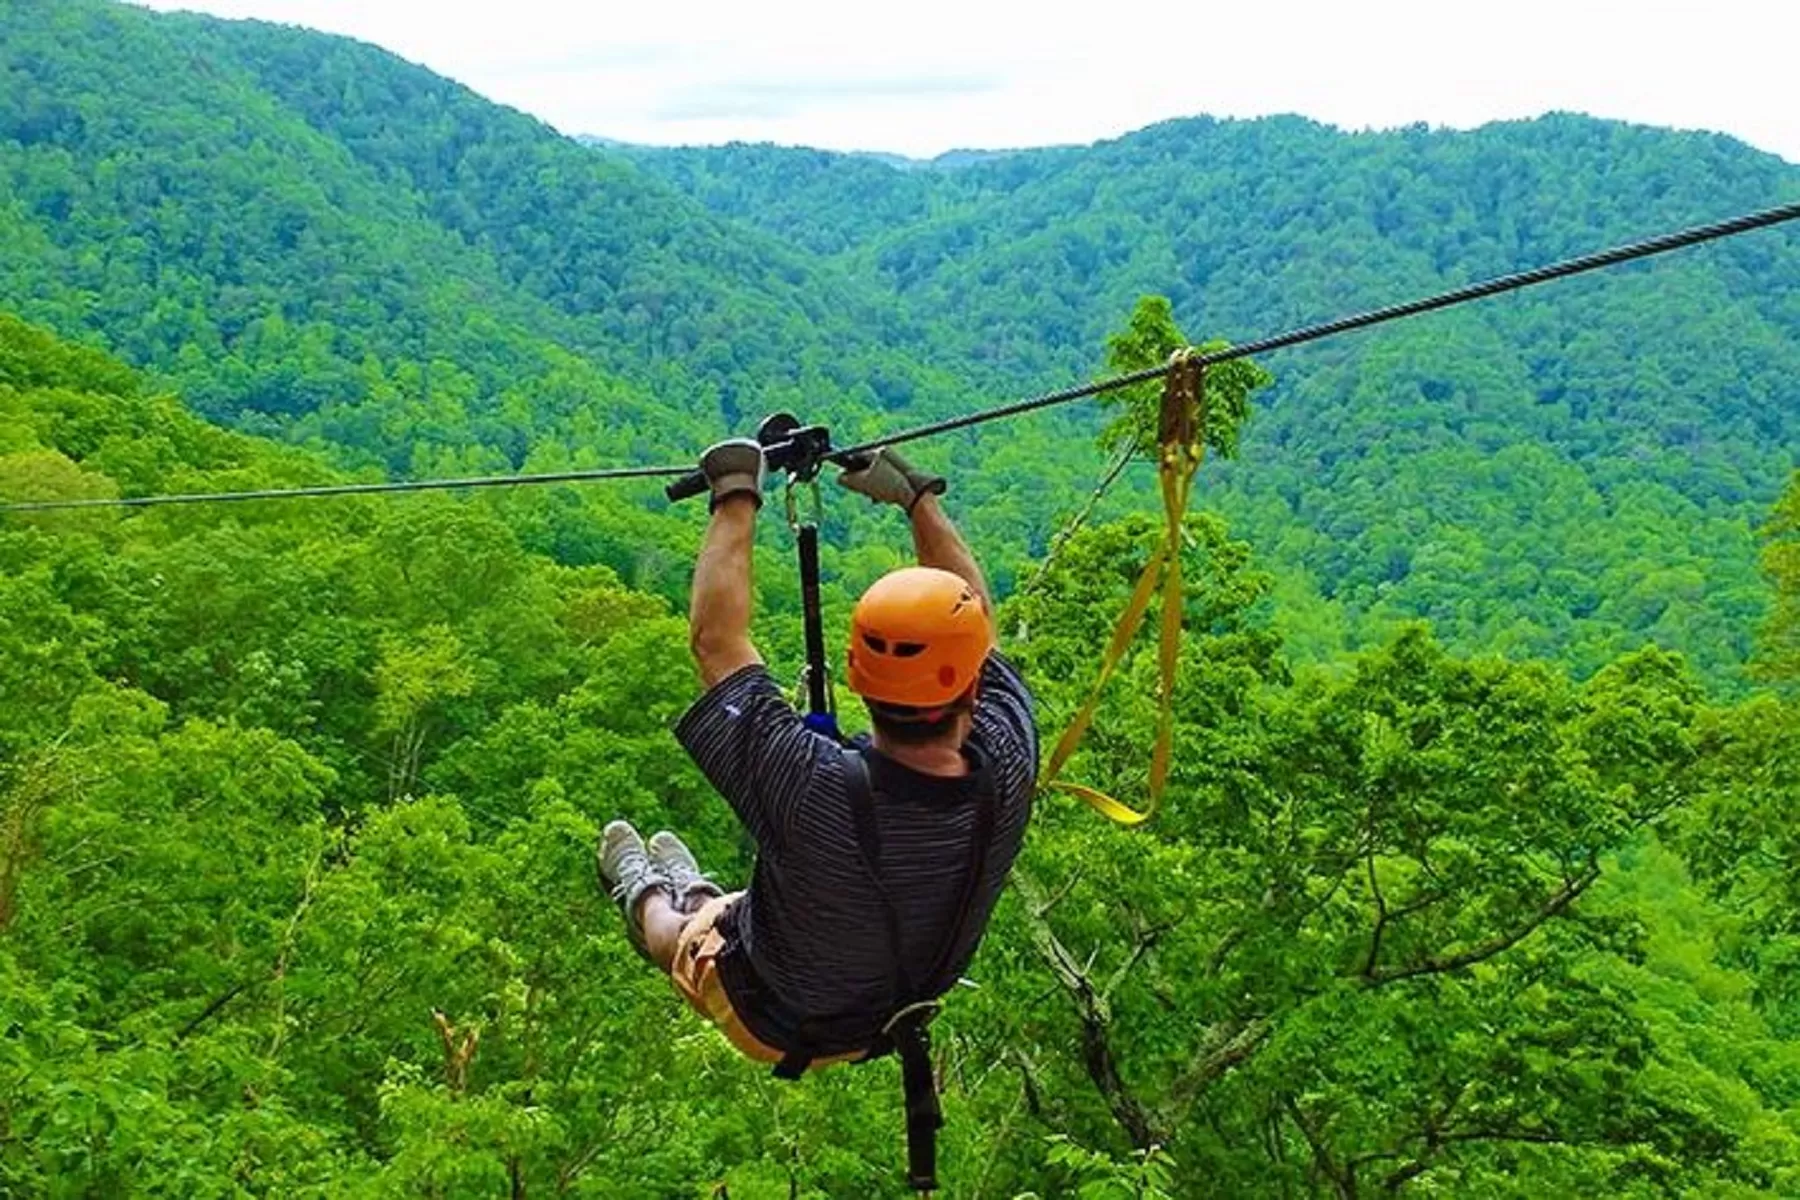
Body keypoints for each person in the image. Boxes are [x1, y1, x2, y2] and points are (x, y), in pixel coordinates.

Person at [597, 439, 1037, 1079]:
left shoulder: (810, 787)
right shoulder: (1008, 757)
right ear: (971, 685)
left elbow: (716, 642)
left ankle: (644, 894)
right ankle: (698, 893)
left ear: (856, 678)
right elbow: (978, 623)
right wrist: (918, 501)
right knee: (761, 900)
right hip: (884, 1005)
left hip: (770, 1014)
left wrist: (735, 492)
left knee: (688, 937)